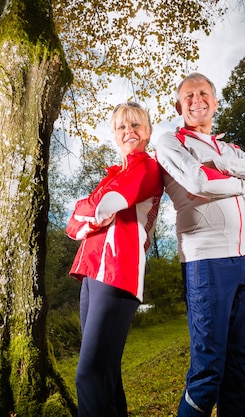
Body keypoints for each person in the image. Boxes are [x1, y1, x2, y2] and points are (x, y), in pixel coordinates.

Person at [155, 73, 245, 417]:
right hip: (206, 262)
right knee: (209, 372)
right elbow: (198, 181)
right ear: (179, 106)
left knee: (240, 367)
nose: (197, 100)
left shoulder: (229, 149)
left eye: (204, 93)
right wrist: (244, 183)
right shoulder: (170, 141)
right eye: (189, 95)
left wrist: (224, 164)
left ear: (215, 101)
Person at [66, 102, 163, 417]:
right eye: (121, 127)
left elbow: (100, 207)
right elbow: (75, 223)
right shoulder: (113, 175)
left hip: (117, 273)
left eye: (135, 125)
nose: (128, 132)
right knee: (106, 374)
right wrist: (93, 211)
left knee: (90, 372)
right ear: (114, 134)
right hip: (91, 274)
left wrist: (93, 211)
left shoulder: (146, 167)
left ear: (147, 132)